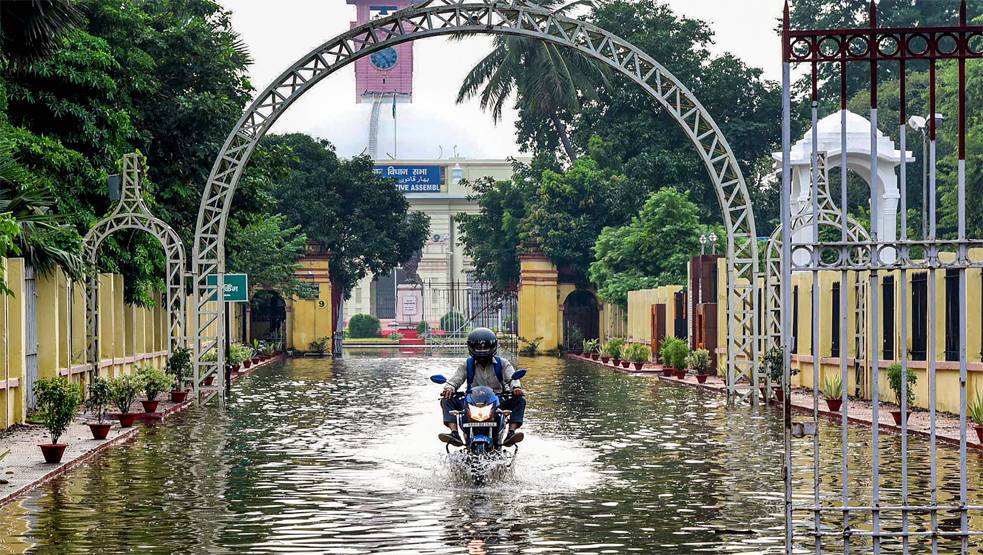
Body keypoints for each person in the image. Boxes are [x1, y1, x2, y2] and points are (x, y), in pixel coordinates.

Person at [439, 327, 525, 447]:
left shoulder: (502, 363)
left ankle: (511, 433)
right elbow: (456, 379)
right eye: (478, 347)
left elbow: (513, 378)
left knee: (520, 400)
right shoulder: (467, 364)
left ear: (493, 346)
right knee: (446, 400)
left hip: (498, 401)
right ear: (471, 347)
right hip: (472, 402)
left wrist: (516, 388)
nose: (482, 350)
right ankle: (454, 434)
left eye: (485, 347)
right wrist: (449, 388)